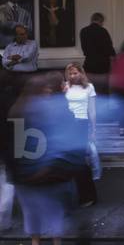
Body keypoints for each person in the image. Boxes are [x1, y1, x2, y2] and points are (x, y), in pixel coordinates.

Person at [10, 71, 84, 245]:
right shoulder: (54, 110)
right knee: (54, 213)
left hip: (25, 173)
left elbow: (10, 143)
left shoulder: (17, 110)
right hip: (49, 172)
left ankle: (36, 241)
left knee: (32, 213)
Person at [63, 62, 98, 206]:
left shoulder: (89, 87)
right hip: (67, 123)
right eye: (70, 73)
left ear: (81, 73)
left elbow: (92, 110)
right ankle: (74, 195)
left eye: (75, 73)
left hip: (82, 123)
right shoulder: (65, 86)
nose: (72, 76)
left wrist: (93, 130)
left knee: (80, 160)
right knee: (68, 160)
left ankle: (88, 195)